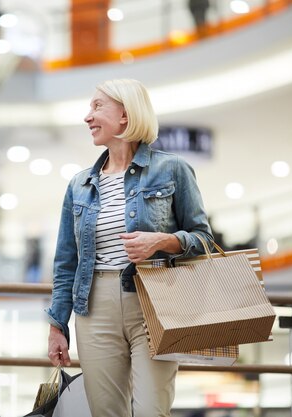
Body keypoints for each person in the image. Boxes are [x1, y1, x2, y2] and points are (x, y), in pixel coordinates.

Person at [46, 78, 213, 417]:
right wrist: (57, 324)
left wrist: (164, 241)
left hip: (156, 302)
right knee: (107, 412)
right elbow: (66, 262)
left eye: (97, 107)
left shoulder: (172, 169)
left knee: (153, 409)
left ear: (125, 115)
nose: (87, 117)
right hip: (93, 309)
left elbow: (204, 241)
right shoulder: (79, 184)